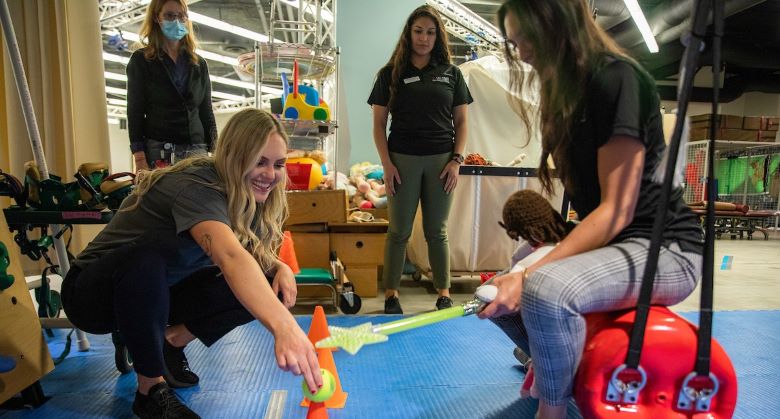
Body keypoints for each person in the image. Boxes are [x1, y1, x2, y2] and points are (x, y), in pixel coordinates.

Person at [477, 1, 704, 418]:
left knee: (542, 288)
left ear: (558, 22)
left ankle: (553, 408)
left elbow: (616, 211)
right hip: (619, 245)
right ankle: (557, 368)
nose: (522, 51)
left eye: (527, 37)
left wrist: (531, 275)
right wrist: (519, 274)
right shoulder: (567, 94)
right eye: (514, 42)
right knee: (494, 290)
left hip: (667, 249)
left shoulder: (617, 79)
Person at [61, 109, 323, 419]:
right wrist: (286, 327)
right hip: (92, 296)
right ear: (234, 157)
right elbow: (229, 257)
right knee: (147, 259)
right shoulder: (197, 186)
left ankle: (170, 341)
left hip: (160, 293)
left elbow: (247, 255)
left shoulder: (249, 195)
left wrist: (277, 266)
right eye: (259, 162)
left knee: (268, 284)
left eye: (279, 164)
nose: (270, 174)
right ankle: (150, 391)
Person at [367, 5, 473, 314]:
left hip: (442, 161)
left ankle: (443, 293)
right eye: (418, 31)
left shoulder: (452, 74)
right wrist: (387, 165)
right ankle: (391, 295)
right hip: (402, 160)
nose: (424, 38)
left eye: (430, 32)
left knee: (436, 230)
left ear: (438, 36)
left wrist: (457, 160)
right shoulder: (390, 74)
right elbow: (378, 125)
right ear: (408, 34)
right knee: (399, 230)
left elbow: (463, 123)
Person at [127, 0, 217, 171]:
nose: (176, 20)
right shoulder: (142, 60)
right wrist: (139, 158)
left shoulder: (199, 64)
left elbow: (206, 110)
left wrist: (216, 151)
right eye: (169, 15)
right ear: (156, 18)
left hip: (197, 150)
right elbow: (135, 111)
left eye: (181, 15)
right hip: (160, 150)